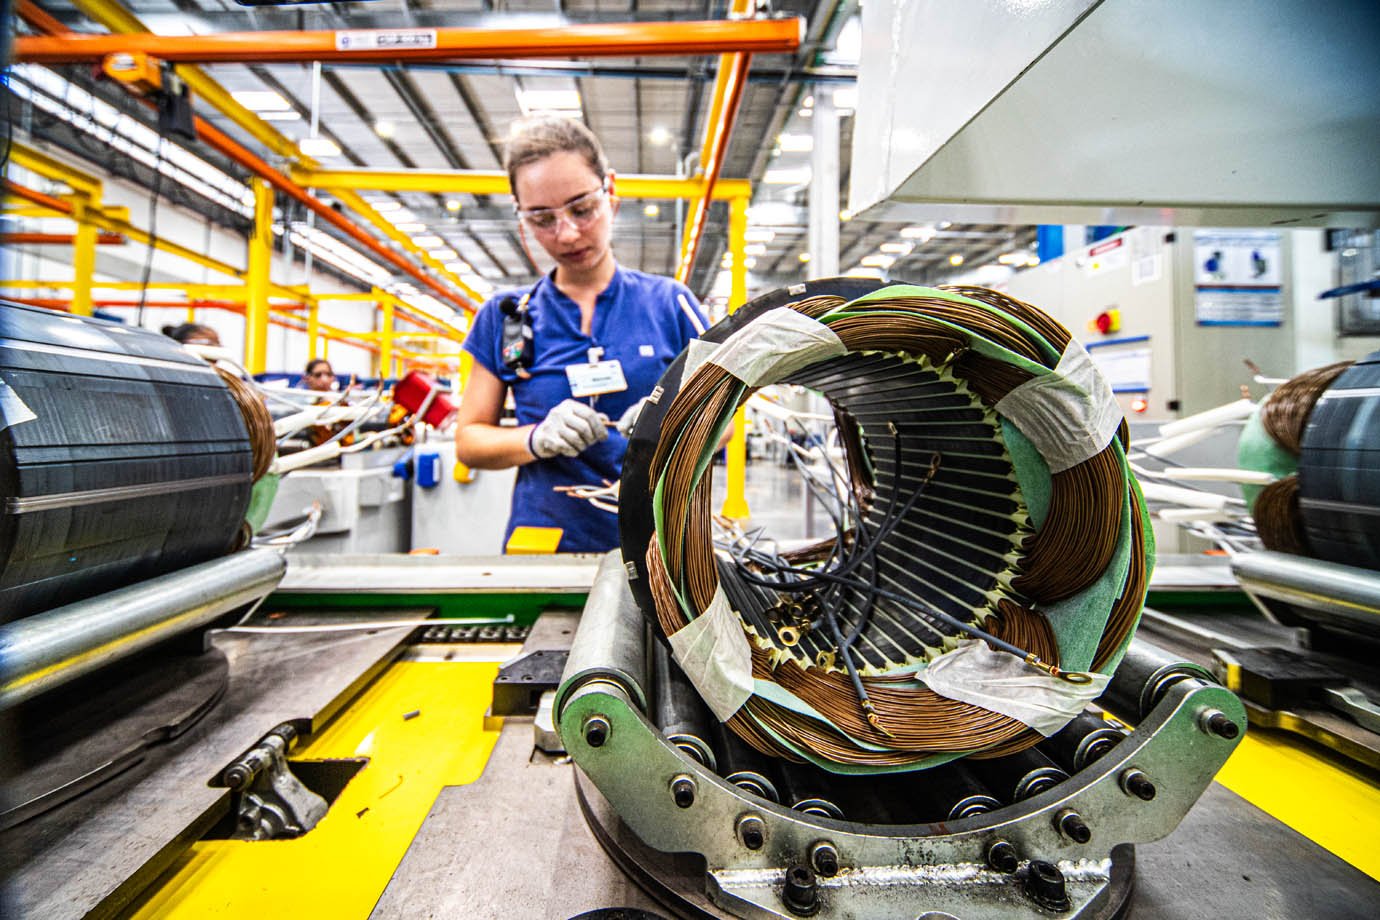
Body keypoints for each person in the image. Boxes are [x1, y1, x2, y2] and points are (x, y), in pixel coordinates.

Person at [455, 116, 708, 554]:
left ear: (610, 191)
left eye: (582, 209)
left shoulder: (671, 304)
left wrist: (671, 424)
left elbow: (726, 419)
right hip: (546, 543)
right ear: (520, 216)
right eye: (542, 219)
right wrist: (535, 439)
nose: (567, 234)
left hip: (659, 544)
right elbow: (470, 440)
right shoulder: (506, 316)